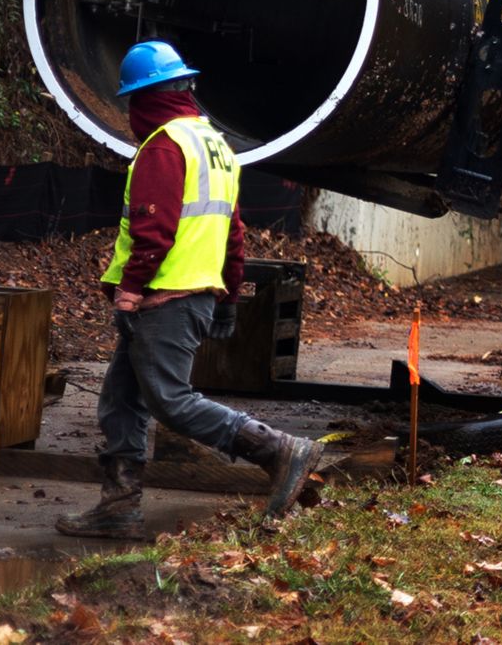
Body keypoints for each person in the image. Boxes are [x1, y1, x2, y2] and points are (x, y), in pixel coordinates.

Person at [57, 41, 325, 539]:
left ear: (145, 98)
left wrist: (130, 291)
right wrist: (226, 297)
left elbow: (152, 230)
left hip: (164, 297)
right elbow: (233, 230)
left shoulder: (164, 146)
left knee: (170, 401)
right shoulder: (214, 145)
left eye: (132, 101)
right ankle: (119, 504)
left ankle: (279, 449)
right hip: (192, 292)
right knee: (121, 400)